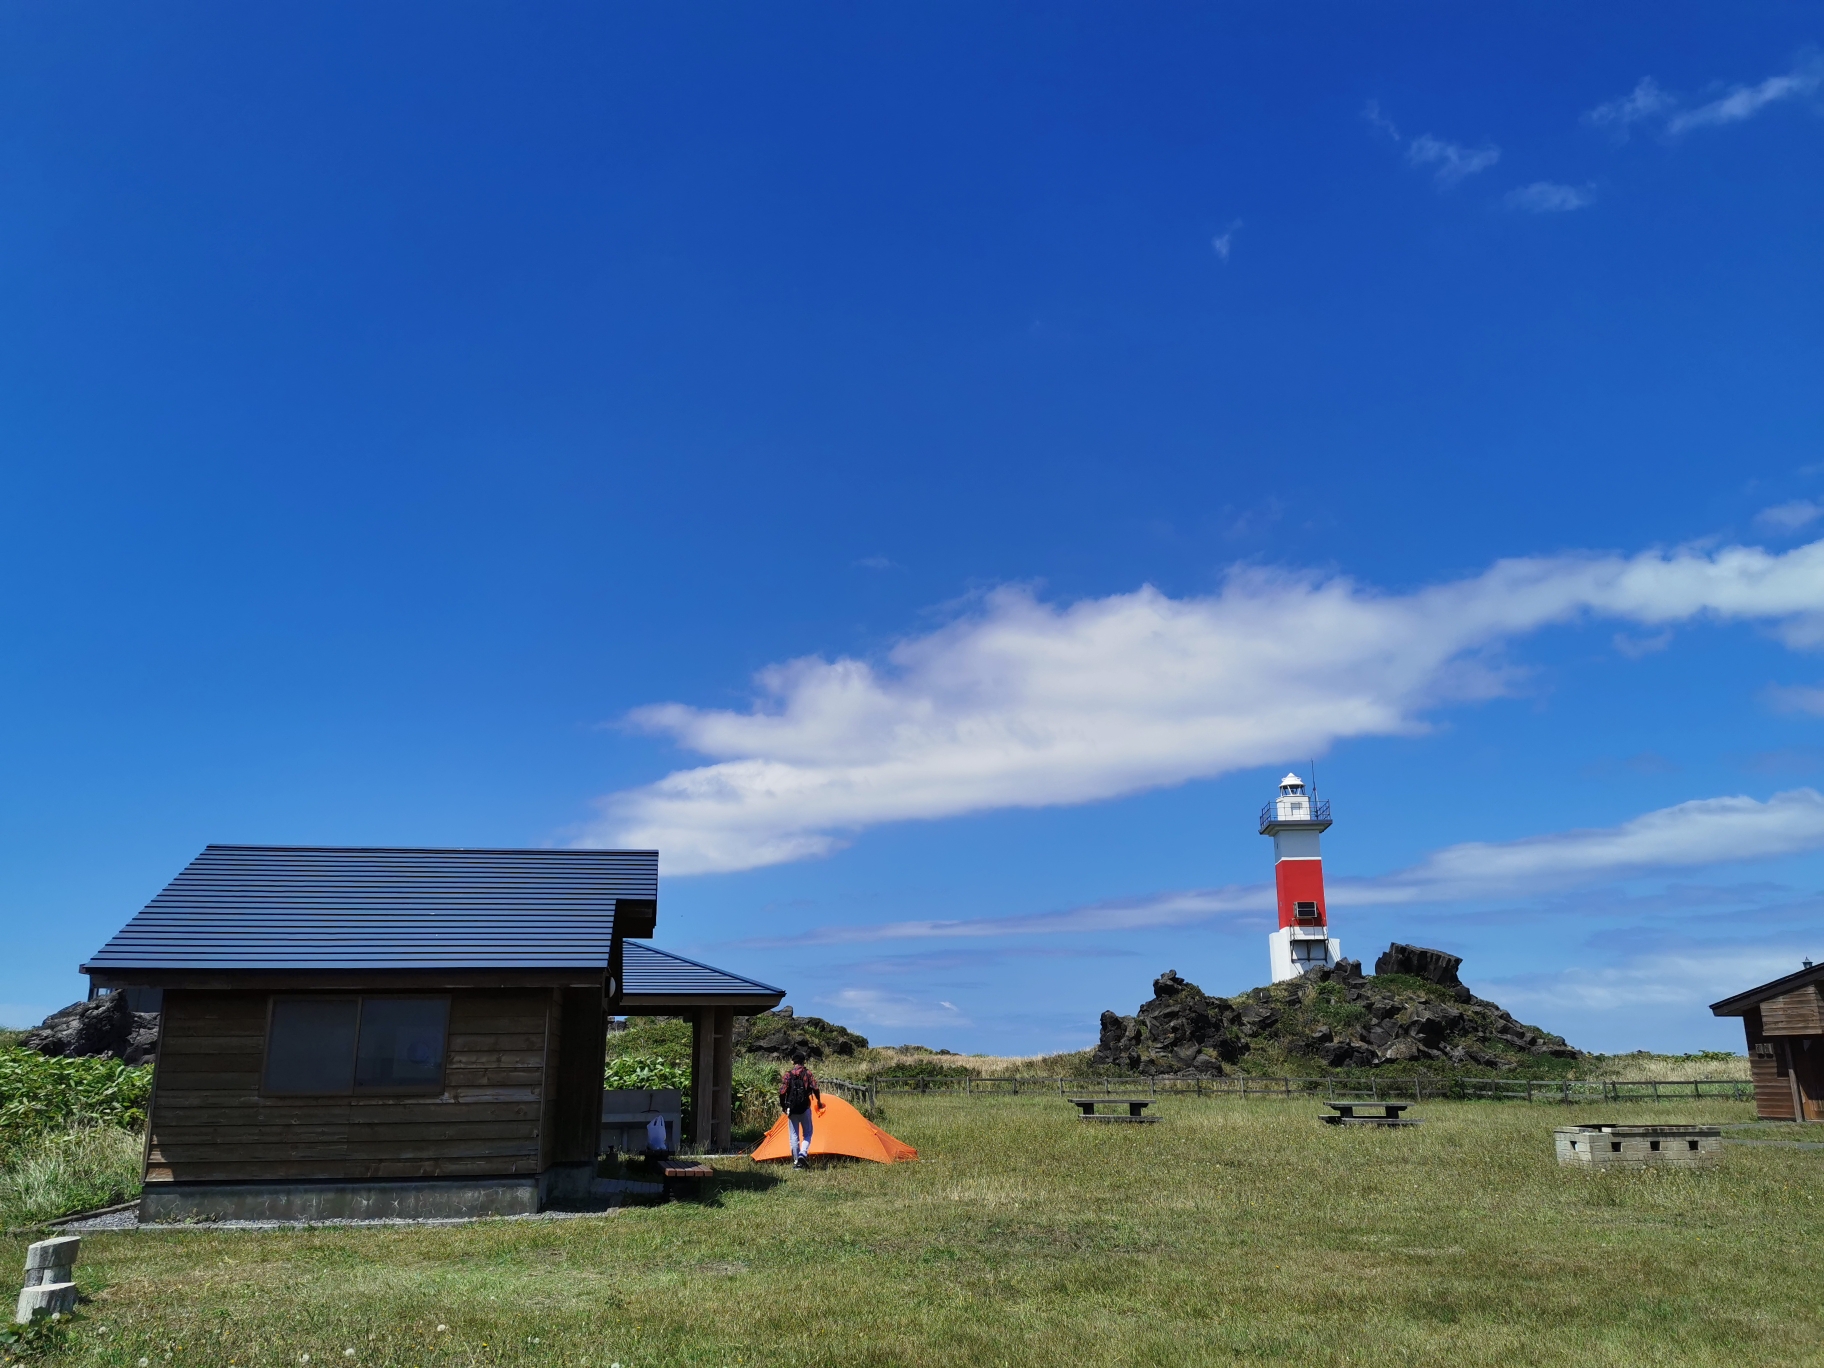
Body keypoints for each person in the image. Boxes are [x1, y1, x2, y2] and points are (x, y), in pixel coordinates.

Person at [778, 1051, 821, 1168]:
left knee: (793, 1135)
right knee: (808, 1133)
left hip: (792, 1109)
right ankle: (803, 1154)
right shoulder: (807, 1073)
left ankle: (797, 1163)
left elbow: (782, 1092)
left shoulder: (788, 1075)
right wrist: (819, 1101)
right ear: (804, 1061)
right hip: (804, 1107)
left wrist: (784, 1106)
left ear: (793, 1061)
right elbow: (815, 1088)